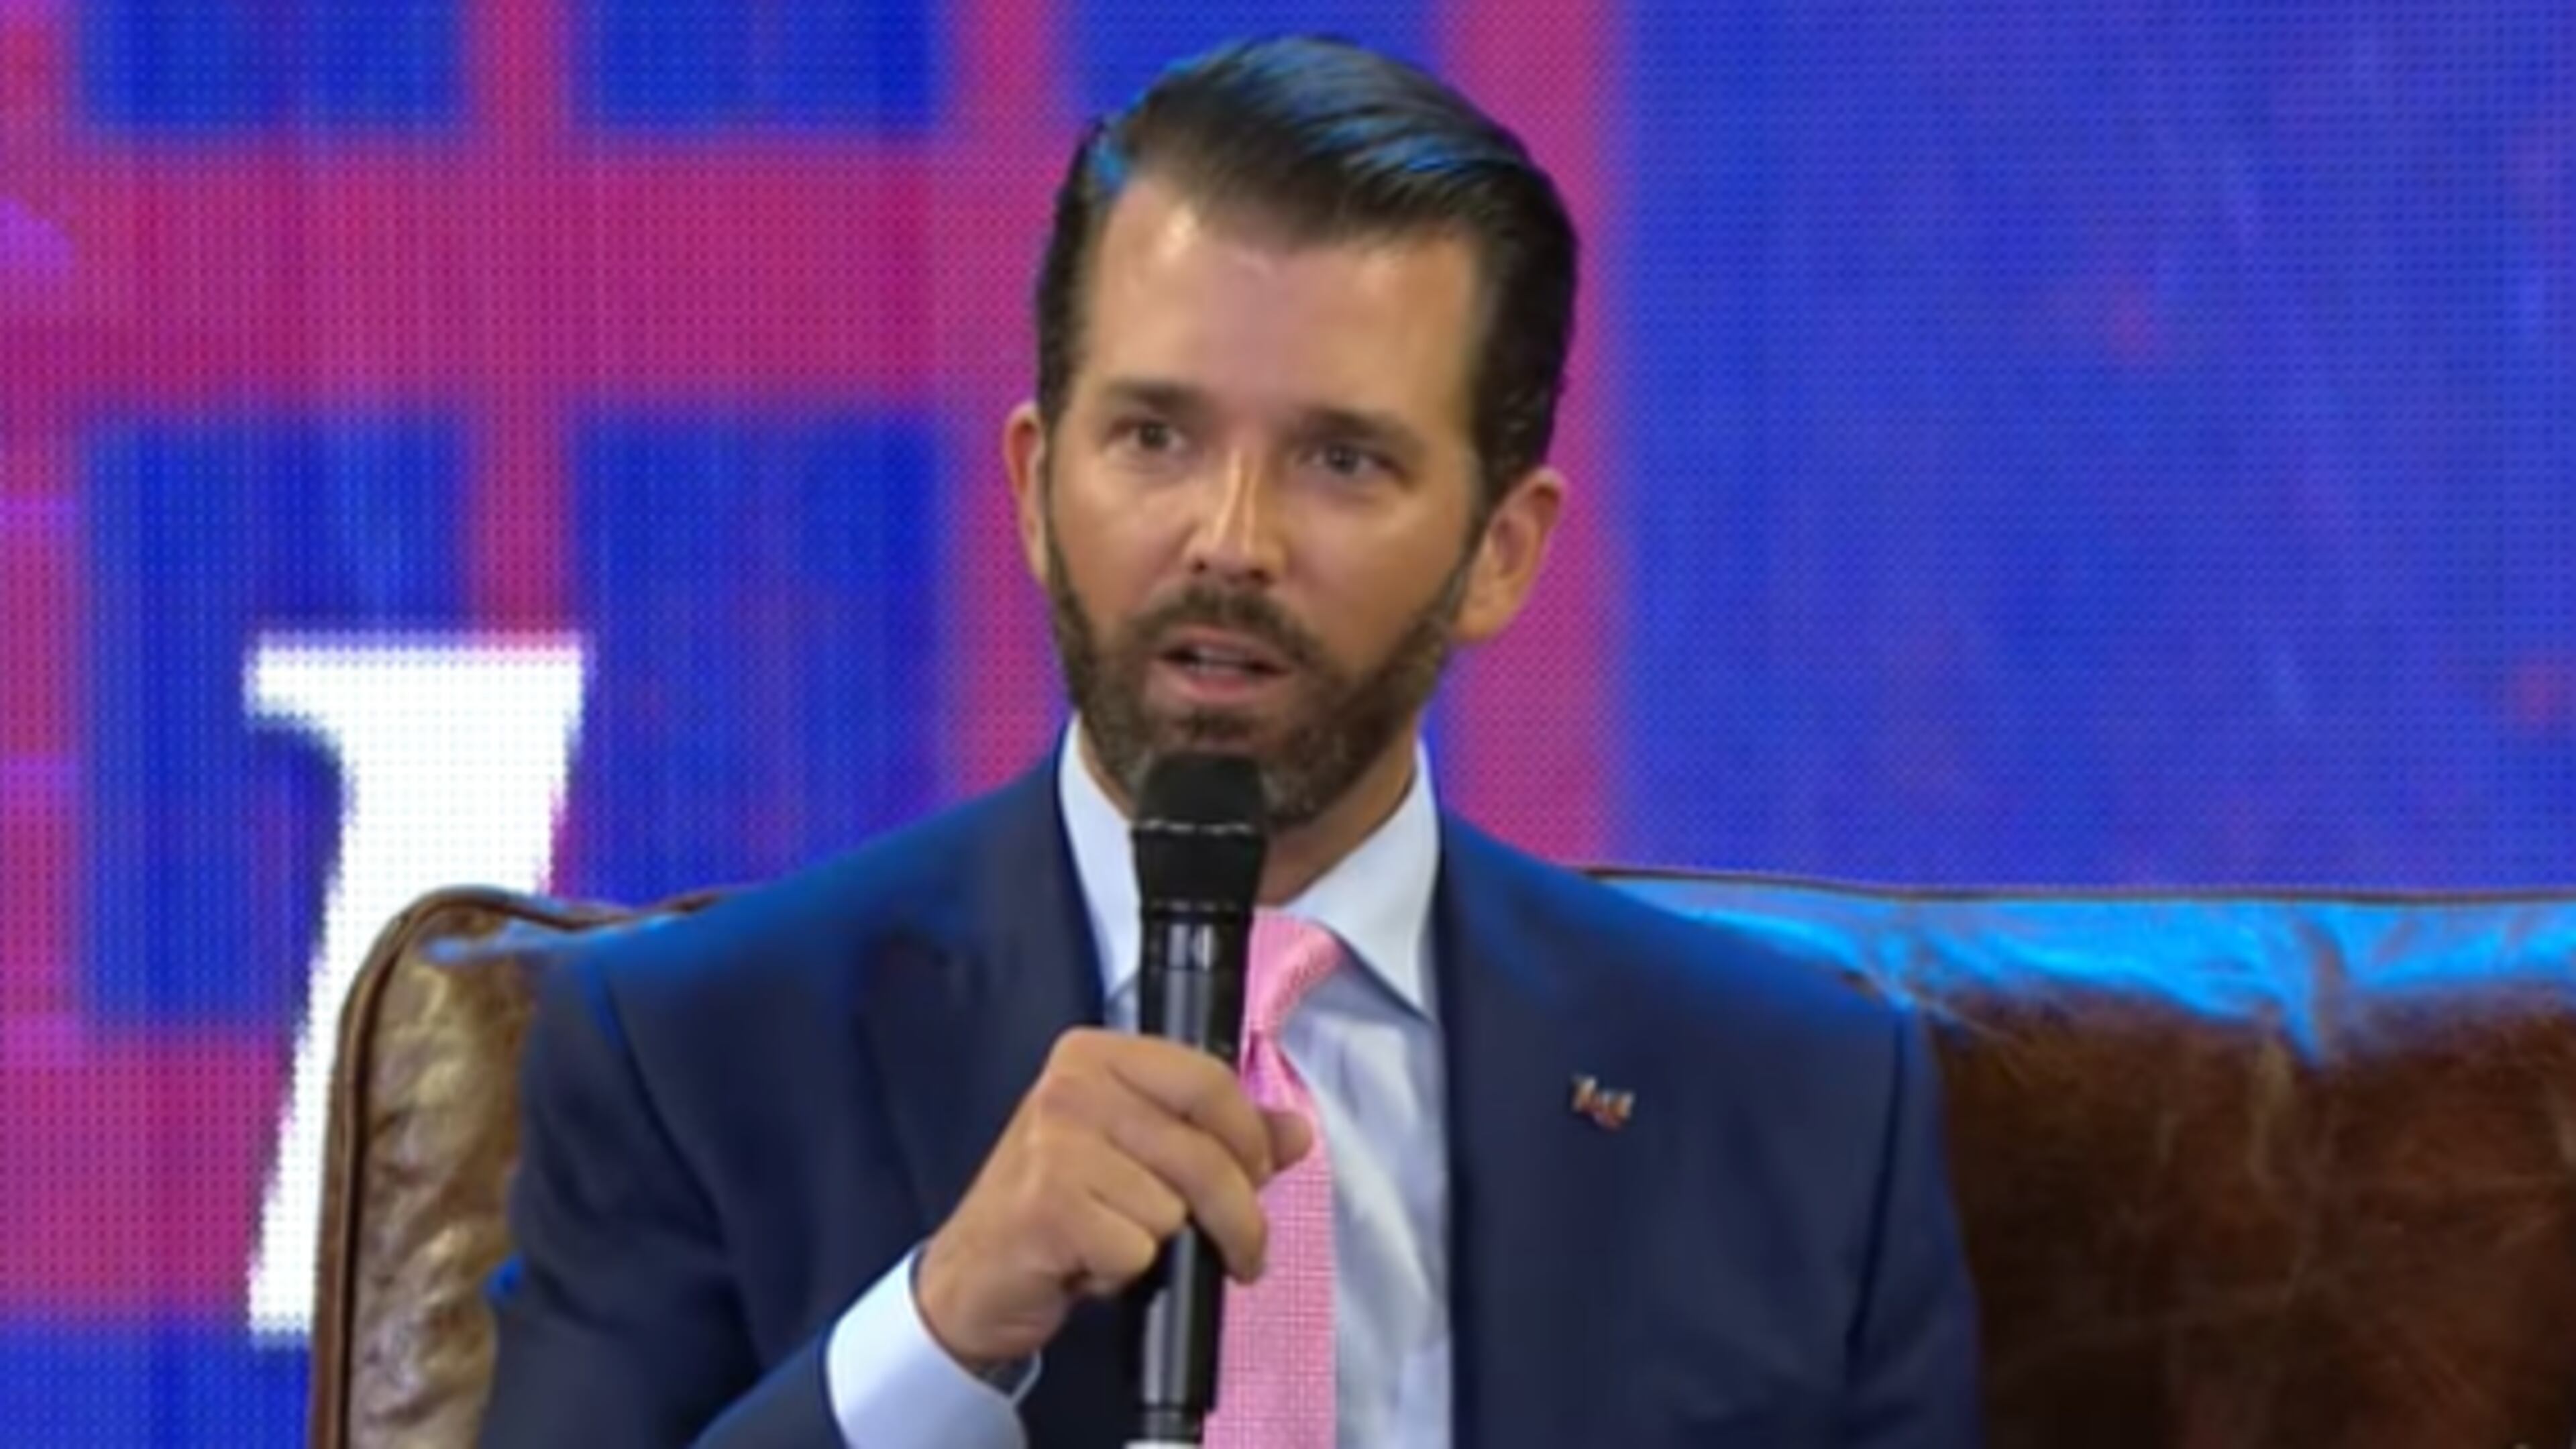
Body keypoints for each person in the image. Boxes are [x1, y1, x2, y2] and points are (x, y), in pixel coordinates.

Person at [478, 34, 1982, 1449]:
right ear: (1033, 486)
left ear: (1502, 552)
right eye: (1155, 438)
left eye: (1342, 460)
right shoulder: (693, 1059)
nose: (1231, 539)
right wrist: (936, 1337)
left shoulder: (1800, 1110)